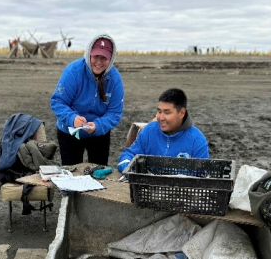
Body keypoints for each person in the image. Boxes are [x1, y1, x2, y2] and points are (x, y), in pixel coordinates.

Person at [50, 35, 124, 166]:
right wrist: (72, 118)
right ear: (89, 53)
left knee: (99, 174)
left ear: (111, 59)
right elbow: (58, 102)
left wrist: (98, 126)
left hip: (99, 133)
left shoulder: (115, 79)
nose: (99, 62)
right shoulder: (73, 72)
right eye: (96, 56)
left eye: (104, 57)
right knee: (70, 174)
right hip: (69, 132)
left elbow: (114, 112)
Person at [117, 88, 209, 173]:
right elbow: (129, 154)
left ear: (181, 113)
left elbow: (202, 174)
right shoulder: (149, 131)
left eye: (167, 112)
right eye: (159, 111)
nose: (161, 118)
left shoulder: (197, 140)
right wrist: (128, 168)